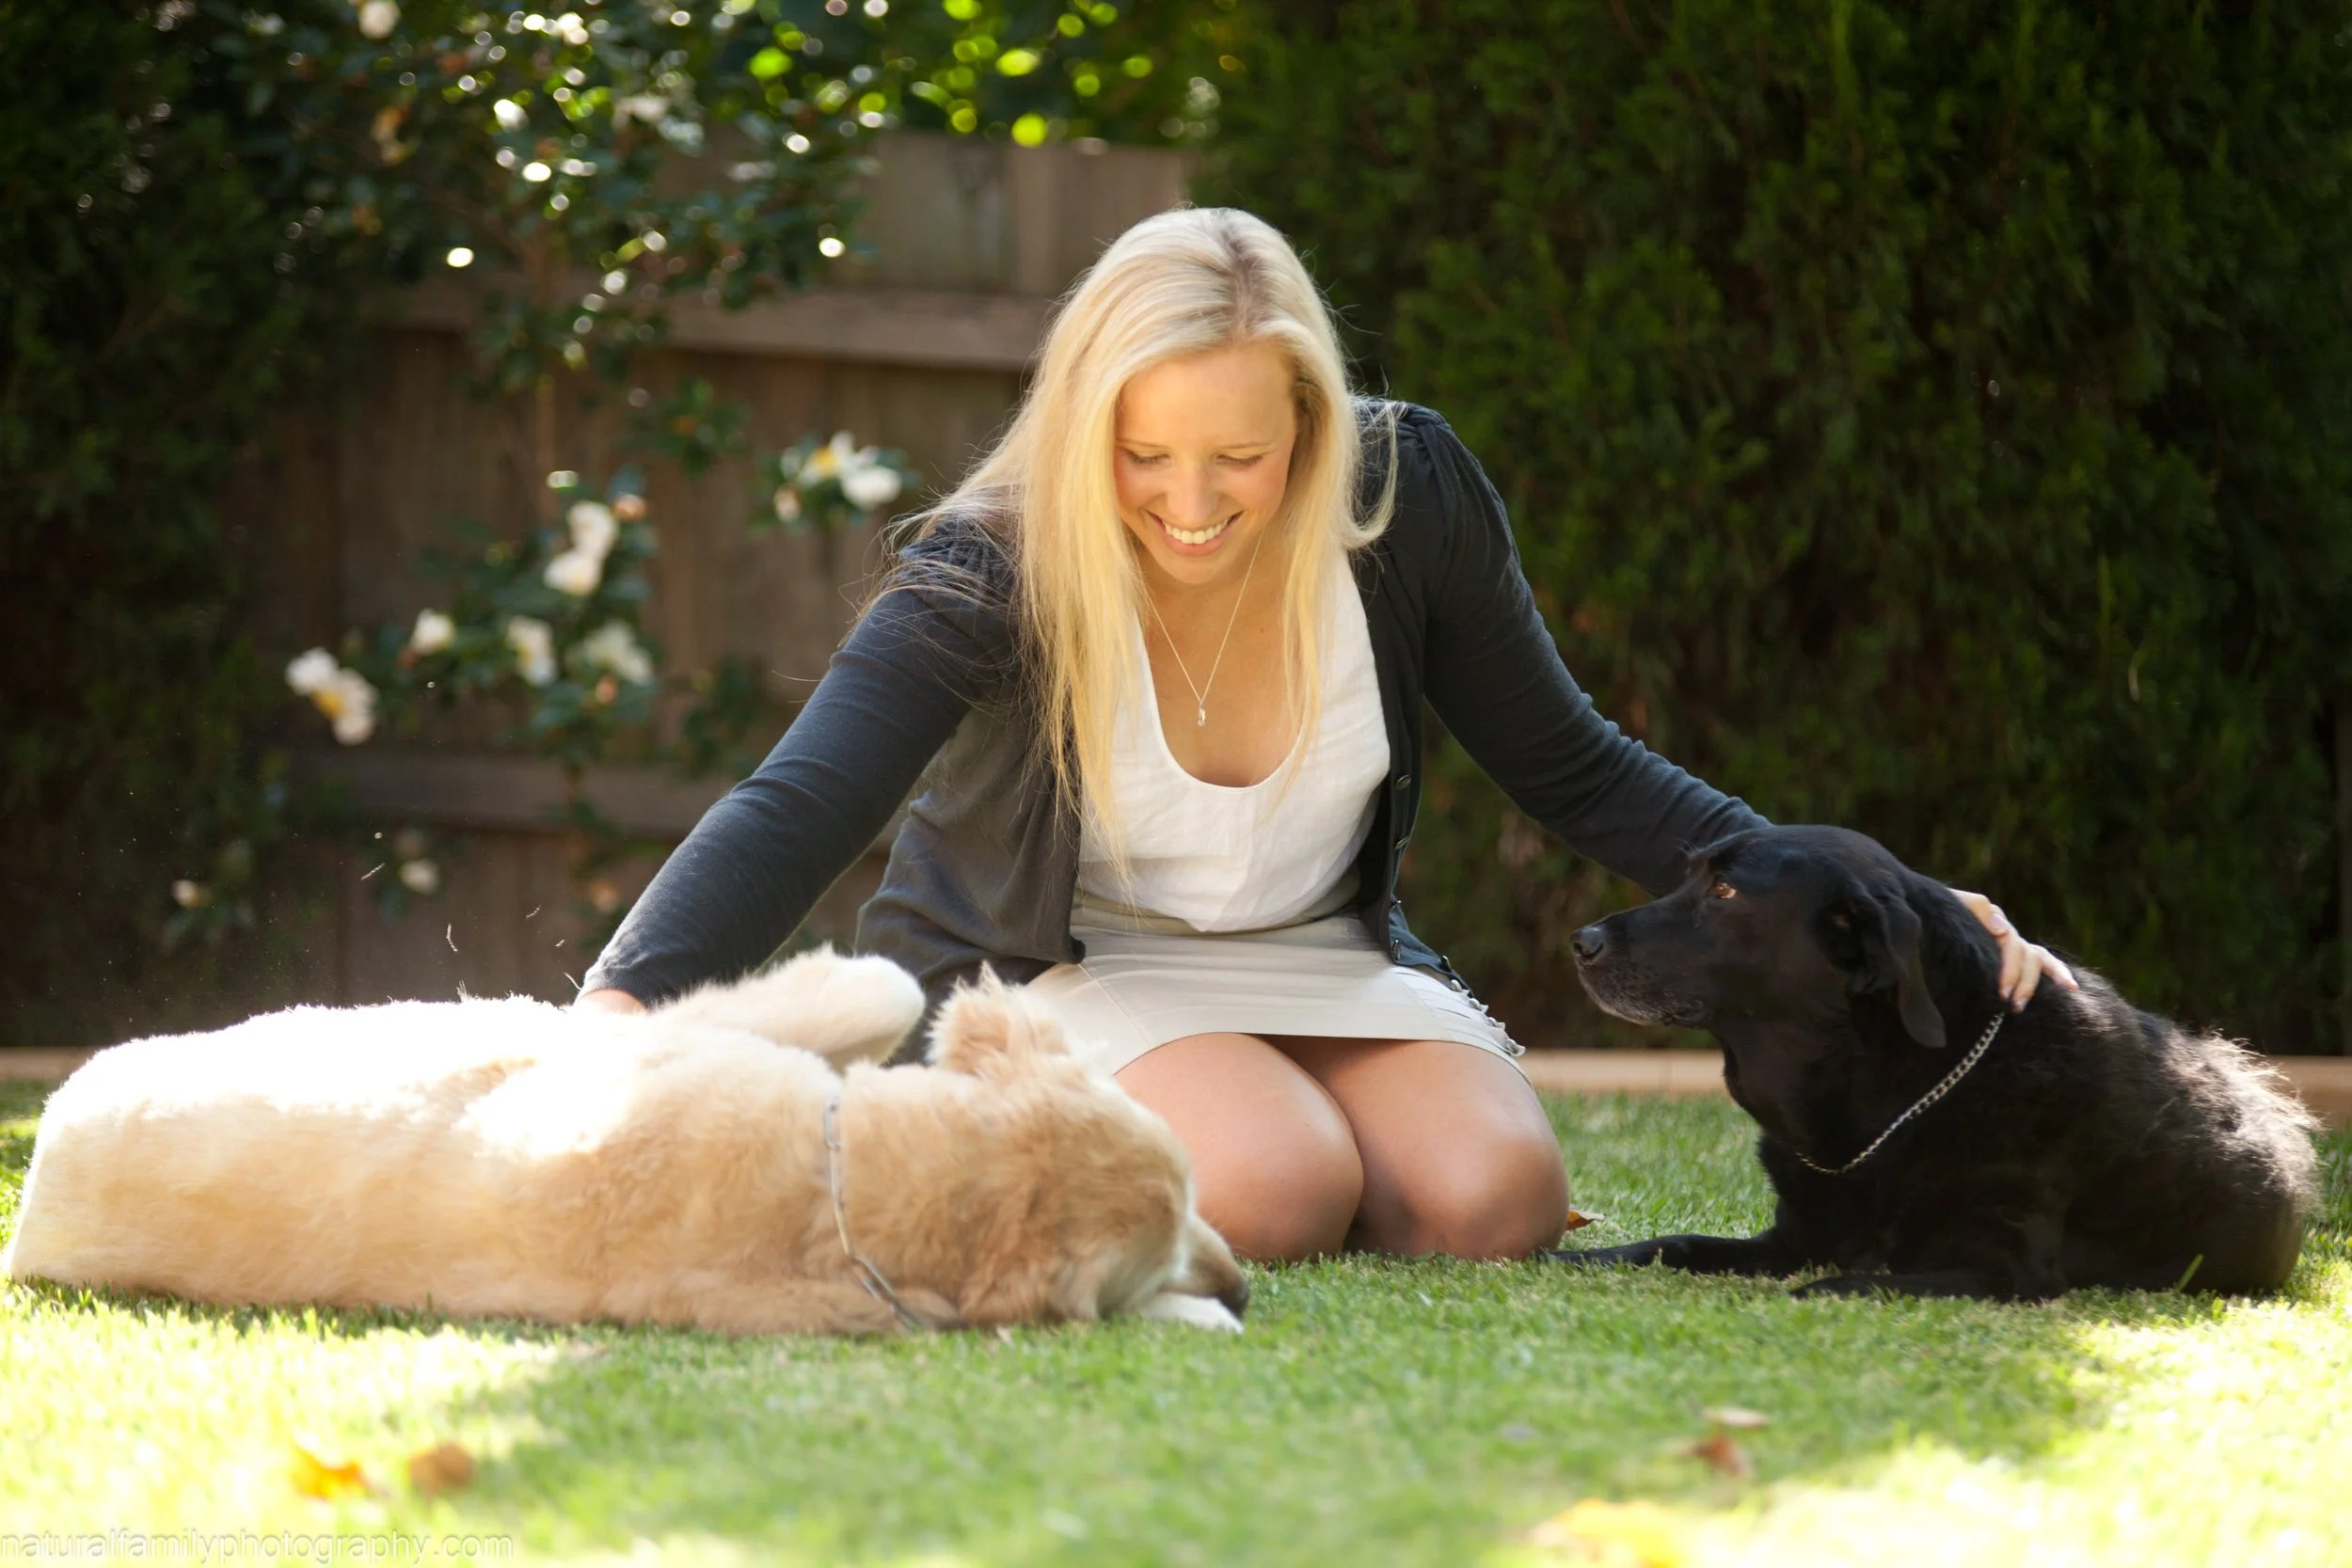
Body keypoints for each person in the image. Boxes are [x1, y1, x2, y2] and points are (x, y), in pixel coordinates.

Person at [577, 207, 2074, 1264]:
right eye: (1143, 452)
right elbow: (804, 799)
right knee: (1278, 1184)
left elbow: (1573, 761)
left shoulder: (1406, 499)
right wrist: (623, 1004)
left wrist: (1904, 902)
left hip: (1314, 955)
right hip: (1062, 966)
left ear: (1310, 419)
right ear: (1083, 421)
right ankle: (1041, 1127)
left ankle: (1265, 1127)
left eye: (1241, 453)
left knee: (1495, 1199)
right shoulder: (993, 567)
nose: (1191, 499)